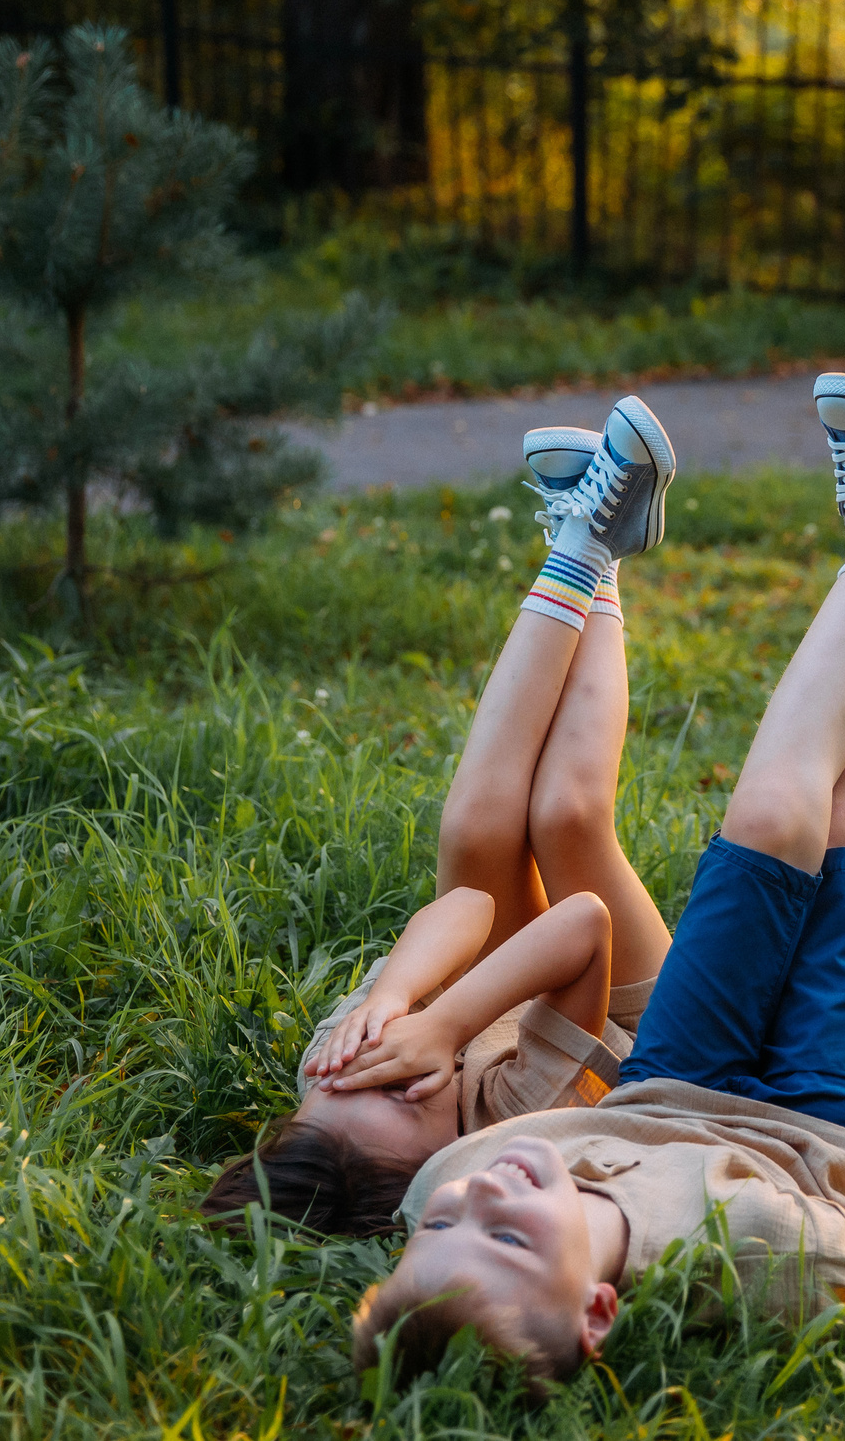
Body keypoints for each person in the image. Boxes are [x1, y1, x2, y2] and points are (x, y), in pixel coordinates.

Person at [349, 351, 845, 1390]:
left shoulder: (446, 1180)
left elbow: (485, 1143)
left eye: (446, 1227)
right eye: (506, 1241)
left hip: (671, 1073)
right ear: (598, 1309)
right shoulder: (753, 1256)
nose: (484, 1199)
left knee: (776, 812)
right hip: (821, 1116)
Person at [202, 398, 681, 1235]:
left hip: (505, 983)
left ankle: (590, 539)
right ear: (444, 1161)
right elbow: (581, 925)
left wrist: (396, 997)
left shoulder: (343, 1070)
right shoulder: (512, 1119)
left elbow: (467, 909)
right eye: (396, 1086)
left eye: (338, 1083)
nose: (374, 1064)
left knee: (473, 828)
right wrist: (451, 1021)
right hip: (618, 1011)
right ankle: (590, 544)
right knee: (567, 815)